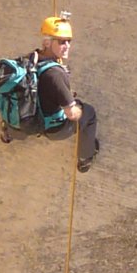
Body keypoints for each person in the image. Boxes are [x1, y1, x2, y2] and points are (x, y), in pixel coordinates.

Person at [36, 14, 99, 173]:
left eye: (69, 41)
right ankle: (85, 158)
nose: (67, 46)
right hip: (51, 128)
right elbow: (71, 114)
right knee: (89, 113)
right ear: (47, 42)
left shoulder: (30, 59)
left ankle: (8, 132)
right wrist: (77, 107)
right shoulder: (56, 75)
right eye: (62, 41)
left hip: (26, 118)